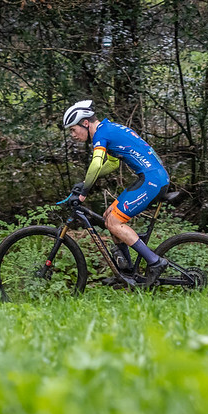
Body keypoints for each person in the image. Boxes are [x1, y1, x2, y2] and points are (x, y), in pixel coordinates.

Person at [63, 99, 171, 285]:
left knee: (114, 222)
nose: (72, 134)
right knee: (108, 216)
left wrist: (84, 191)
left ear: (85, 122)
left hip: (152, 180)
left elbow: (97, 163)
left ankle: (155, 261)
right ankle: (127, 272)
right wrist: (85, 181)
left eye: (73, 129)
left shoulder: (101, 134)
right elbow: (111, 163)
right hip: (152, 178)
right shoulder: (108, 129)